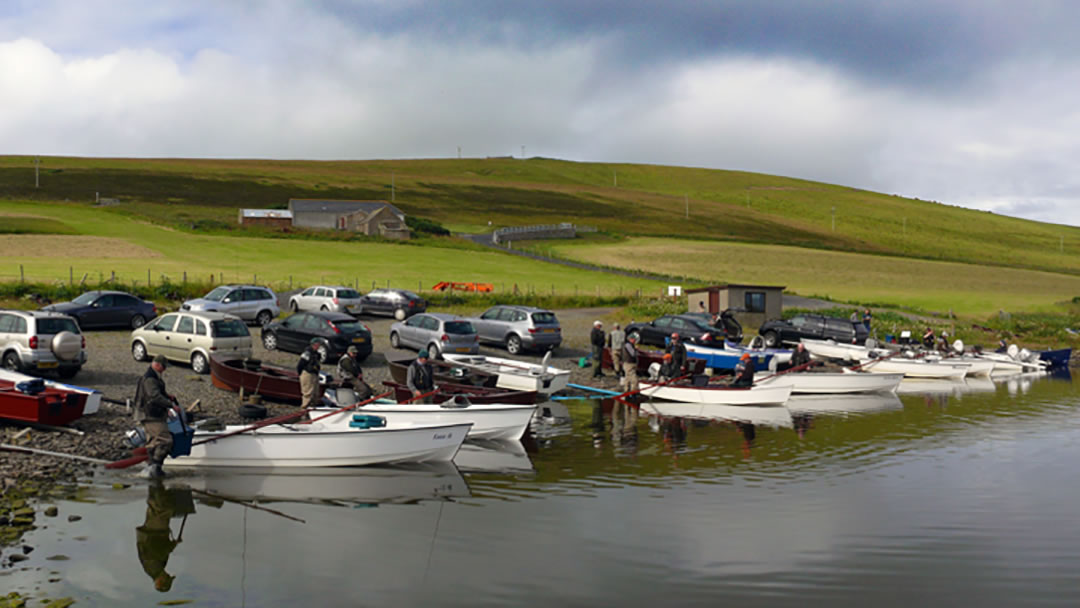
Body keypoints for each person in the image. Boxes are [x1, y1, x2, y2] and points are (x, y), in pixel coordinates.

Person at [136, 483, 188, 593]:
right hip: (151, 531)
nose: (168, 574)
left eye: (167, 577)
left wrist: (173, 545)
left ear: (160, 581)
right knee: (156, 507)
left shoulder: (153, 568)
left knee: (162, 508)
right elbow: (161, 550)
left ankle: (156, 482)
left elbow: (158, 550)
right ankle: (154, 484)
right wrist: (172, 544)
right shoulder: (155, 569)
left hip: (154, 531)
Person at [134, 354, 174, 479]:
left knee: (153, 442)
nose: (165, 370)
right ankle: (155, 467)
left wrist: (167, 396)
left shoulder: (153, 377)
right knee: (165, 441)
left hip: (150, 413)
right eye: (164, 367)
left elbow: (156, 393)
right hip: (151, 415)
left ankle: (153, 471)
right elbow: (154, 396)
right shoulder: (150, 379)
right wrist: (170, 405)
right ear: (157, 365)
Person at [297, 338, 322, 409]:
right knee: (308, 393)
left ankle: (312, 408)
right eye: (317, 345)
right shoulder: (307, 353)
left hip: (315, 374)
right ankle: (304, 410)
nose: (318, 346)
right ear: (313, 345)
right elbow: (300, 365)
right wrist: (301, 374)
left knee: (315, 393)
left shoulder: (317, 354)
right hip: (307, 373)